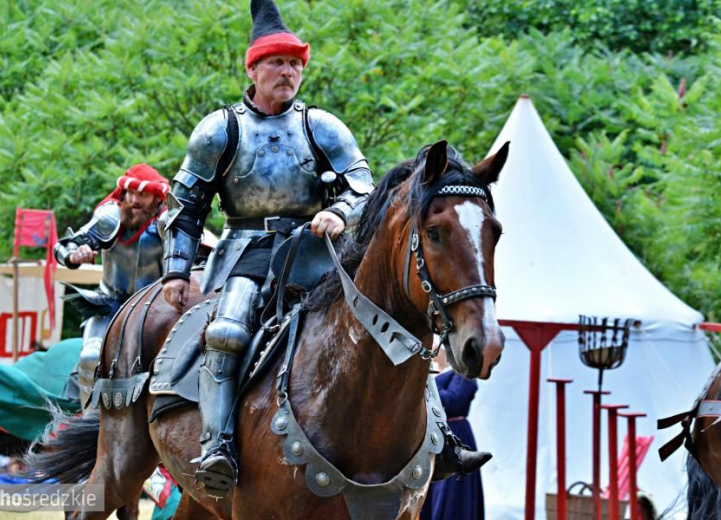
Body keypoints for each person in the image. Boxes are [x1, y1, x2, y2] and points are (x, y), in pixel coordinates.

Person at [160, 0, 490, 494]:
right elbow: (185, 206)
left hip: (323, 254)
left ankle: (440, 438)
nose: (288, 72)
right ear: (253, 67)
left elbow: (364, 189)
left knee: (398, 322)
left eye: (295, 64)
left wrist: (339, 213)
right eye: (277, 62)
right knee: (227, 330)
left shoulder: (322, 126)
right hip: (246, 251)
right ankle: (217, 445)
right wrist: (175, 271)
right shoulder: (219, 130)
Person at [54, 164, 170, 406]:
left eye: (142, 194)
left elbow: (199, 256)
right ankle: (86, 426)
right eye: (130, 193)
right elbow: (63, 246)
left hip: (155, 310)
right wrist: (75, 255)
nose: (134, 200)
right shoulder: (110, 217)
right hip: (109, 305)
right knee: (90, 357)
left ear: (156, 197)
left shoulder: (170, 222)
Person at [421, 349, 485, 520]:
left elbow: (453, 402)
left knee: (451, 491)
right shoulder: (432, 376)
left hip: (455, 435)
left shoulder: (464, 375)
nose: (433, 351)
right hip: (432, 436)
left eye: (437, 348)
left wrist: (428, 385)